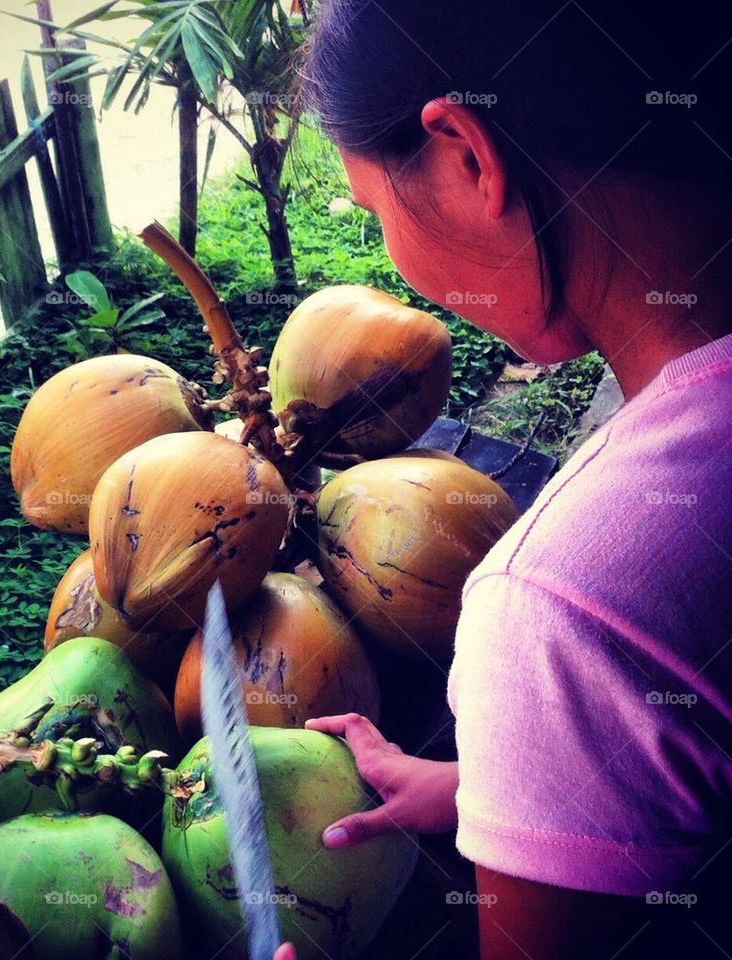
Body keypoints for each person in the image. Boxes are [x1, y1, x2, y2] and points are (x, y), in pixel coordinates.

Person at [275, 2, 732, 958]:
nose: (392, 259)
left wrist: (550, 713)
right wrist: (519, 782)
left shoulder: (563, 605)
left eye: (375, 212)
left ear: (465, 154)